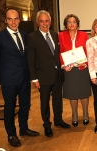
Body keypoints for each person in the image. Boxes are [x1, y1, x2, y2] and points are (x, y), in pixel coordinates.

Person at [0, 8, 39, 147]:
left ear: (19, 20)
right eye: (10, 19)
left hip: (24, 78)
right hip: (9, 81)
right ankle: (11, 134)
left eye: (16, 18)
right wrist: (4, 75)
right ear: (5, 20)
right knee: (10, 108)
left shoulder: (24, 35)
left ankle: (24, 128)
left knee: (25, 105)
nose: (13, 22)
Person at [27, 10, 71, 138]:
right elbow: (30, 60)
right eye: (41, 21)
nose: (44, 23)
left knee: (58, 100)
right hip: (42, 76)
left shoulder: (55, 35)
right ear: (37, 22)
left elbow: (57, 55)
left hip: (57, 74)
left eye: (46, 21)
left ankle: (58, 120)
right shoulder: (32, 37)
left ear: (50, 22)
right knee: (44, 102)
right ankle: (47, 125)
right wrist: (34, 78)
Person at [59, 14, 91, 128]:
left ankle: (86, 114)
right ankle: (74, 115)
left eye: (74, 22)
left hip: (82, 69)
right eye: (69, 22)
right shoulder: (61, 35)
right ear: (66, 25)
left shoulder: (84, 35)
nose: (72, 24)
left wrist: (85, 62)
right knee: (72, 93)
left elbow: (88, 51)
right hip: (69, 70)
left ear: (77, 24)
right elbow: (60, 52)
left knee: (84, 92)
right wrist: (63, 65)